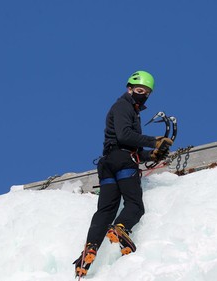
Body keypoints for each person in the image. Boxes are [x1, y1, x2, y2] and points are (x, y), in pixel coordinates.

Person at [73, 70, 173, 277]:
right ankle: (121, 228)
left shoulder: (128, 109)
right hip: (122, 162)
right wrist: (154, 141)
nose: (142, 94)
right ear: (129, 88)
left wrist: (153, 154)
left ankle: (89, 250)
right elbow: (125, 136)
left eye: (146, 92)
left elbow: (127, 145)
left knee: (105, 210)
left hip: (109, 164)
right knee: (135, 205)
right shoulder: (123, 106)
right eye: (139, 90)